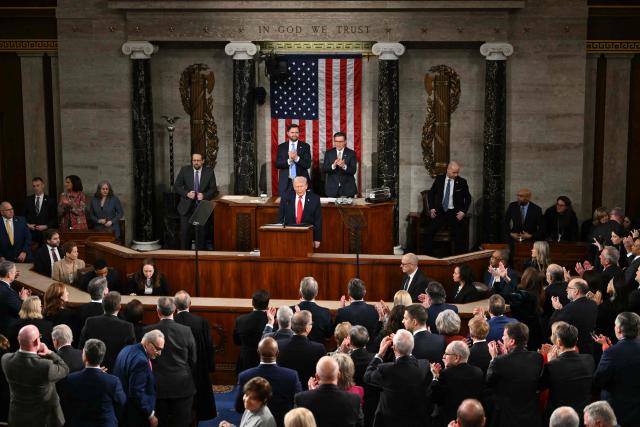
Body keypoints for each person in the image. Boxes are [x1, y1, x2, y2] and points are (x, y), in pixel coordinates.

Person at [143, 296, 197, 427]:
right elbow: (193, 359)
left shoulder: (147, 331)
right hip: (182, 385)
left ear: (157, 311)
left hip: (157, 386)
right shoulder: (186, 331)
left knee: (160, 423)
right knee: (182, 422)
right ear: (174, 310)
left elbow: (143, 359)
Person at [1, 324, 69, 426]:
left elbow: (20, 355)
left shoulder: (6, 359)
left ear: (18, 340)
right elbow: (65, 369)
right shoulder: (45, 366)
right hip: (43, 420)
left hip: (17, 418)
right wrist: (49, 353)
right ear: (37, 341)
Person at [364, 329, 432, 427]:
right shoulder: (424, 366)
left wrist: (380, 354)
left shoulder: (386, 369)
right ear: (413, 346)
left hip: (389, 421)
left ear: (394, 348)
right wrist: (404, 343)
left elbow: (367, 376)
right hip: (415, 421)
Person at [486, 322, 544, 427]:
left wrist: (493, 359)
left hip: (508, 417)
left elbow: (489, 380)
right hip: (531, 416)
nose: (502, 338)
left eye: (504, 336)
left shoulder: (499, 361)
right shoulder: (537, 358)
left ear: (512, 341)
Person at [59, 338, 126, 427]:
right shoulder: (113, 382)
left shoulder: (71, 379)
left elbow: (65, 404)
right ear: (101, 358)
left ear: (85, 356)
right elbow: (122, 402)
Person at [236, 337, 302, 427]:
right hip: (284, 423)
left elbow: (239, 407)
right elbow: (298, 404)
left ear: (258, 353)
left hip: (255, 423)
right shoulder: (292, 376)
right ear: (277, 353)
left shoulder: (244, 376)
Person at [174, 290, 217, 422]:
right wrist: (210, 366)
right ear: (190, 304)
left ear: (175, 306)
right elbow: (209, 345)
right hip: (198, 367)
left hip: (176, 369)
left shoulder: (172, 322)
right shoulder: (201, 322)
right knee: (198, 403)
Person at [539, 321, 594, 422]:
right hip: (583, 413)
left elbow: (540, 386)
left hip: (559, 416)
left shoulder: (553, 365)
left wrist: (551, 362)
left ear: (558, 342)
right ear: (576, 339)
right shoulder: (589, 359)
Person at [593, 312, 640, 426]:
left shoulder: (611, 353)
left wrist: (608, 353)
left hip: (617, 413)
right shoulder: (612, 352)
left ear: (618, 329)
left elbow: (598, 381)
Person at [113, 329, 164, 427]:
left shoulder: (126, 349)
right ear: (148, 344)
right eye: (158, 348)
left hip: (121, 411)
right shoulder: (141, 361)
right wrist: (150, 414)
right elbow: (137, 392)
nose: (159, 353)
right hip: (135, 415)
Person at [294, 356, 363, 427]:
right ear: (338, 375)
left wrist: (310, 393)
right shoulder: (354, 399)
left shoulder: (301, 399)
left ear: (317, 377)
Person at [430, 341, 484, 427]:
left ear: (456, 358)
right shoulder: (478, 372)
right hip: (472, 421)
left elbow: (435, 398)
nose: (444, 356)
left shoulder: (446, 374)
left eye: (446, 354)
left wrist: (435, 378)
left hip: (450, 421)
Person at [79, 291, 136, 372]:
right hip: (117, 372)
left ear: (103, 305)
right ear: (119, 307)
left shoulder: (90, 322)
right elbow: (131, 354)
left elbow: (82, 348)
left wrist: (94, 367)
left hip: (93, 370)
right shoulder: (128, 327)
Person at [425, 161, 472, 255]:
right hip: (441, 211)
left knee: (460, 235)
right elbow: (431, 193)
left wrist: (463, 211)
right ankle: (429, 256)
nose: (456, 174)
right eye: (454, 172)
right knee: (429, 232)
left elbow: (468, 198)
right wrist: (432, 208)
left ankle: (459, 258)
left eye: (457, 172)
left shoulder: (462, 182)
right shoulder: (439, 179)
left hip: (454, 212)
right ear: (448, 170)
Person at [493, 267, 545, 351]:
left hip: (523, 332)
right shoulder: (539, 293)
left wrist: (497, 278)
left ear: (525, 279)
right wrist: (506, 278)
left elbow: (501, 296)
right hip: (537, 330)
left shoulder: (524, 296)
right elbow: (516, 290)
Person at [174, 152, 218, 250]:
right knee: (185, 234)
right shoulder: (185, 170)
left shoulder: (209, 172)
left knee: (201, 236)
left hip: (202, 207)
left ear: (203, 161)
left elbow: (213, 189)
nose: (196, 162)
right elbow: (177, 186)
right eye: (194, 160)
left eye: (198, 160)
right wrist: (187, 193)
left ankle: (201, 260)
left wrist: (204, 195)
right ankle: (185, 258)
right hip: (186, 207)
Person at [278, 310, 326, 390]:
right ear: (307, 328)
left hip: (285, 391)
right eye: (311, 324)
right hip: (309, 393)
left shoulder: (279, 345)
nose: (312, 325)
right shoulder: (319, 349)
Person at [550, 278, 598, 354]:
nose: (566, 290)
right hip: (589, 348)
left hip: (575, 349)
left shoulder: (570, 308)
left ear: (576, 291)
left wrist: (557, 309)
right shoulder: (593, 304)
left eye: (568, 288)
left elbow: (553, 325)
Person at [278, 176, 322, 248]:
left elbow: (318, 220)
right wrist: (280, 235)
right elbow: (280, 218)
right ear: (293, 186)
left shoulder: (315, 199)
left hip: (307, 235)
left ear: (306, 186)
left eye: (301, 186)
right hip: (289, 235)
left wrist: (317, 239)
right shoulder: (286, 197)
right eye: (297, 187)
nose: (299, 189)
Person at [235, 289, 270, 373]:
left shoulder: (240, 320)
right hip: (265, 363)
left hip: (245, 362)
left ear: (252, 303)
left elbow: (236, 341)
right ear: (267, 304)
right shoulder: (271, 321)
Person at [275, 123, 311, 196]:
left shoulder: (305, 146)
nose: (294, 134)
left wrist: (296, 158)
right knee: (285, 205)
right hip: (286, 182)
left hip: (301, 182)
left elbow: (307, 164)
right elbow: (278, 164)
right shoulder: (281, 147)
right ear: (288, 133)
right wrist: (289, 160)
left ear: (299, 133)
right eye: (292, 132)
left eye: (296, 132)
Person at [294, 277, 333, 344]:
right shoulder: (325, 313)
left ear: (300, 291)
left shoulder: (291, 311)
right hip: (319, 352)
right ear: (316, 292)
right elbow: (329, 335)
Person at [322, 132, 357, 198]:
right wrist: (333, 166)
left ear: (345, 141)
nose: (338, 144)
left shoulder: (351, 153)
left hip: (348, 189)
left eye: (341, 141)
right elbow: (324, 169)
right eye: (336, 141)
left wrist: (344, 166)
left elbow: (353, 170)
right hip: (332, 189)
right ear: (334, 141)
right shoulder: (329, 153)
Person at [23, 176, 58, 244]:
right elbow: (23, 217)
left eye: (38, 185)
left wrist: (46, 226)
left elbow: (55, 218)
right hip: (31, 234)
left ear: (43, 185)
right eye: (34, 186)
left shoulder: (50, 200)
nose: (36, 188)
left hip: (45, 234)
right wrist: (28, 225)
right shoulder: (28, 200)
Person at [0, 261, 30, 335]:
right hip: (8, 330)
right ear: (9, 274)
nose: (16, 274)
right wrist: (24, 299)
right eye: (14, 272)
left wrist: (18, 298)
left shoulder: (5, 287)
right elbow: (21, 311)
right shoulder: (7, 292)